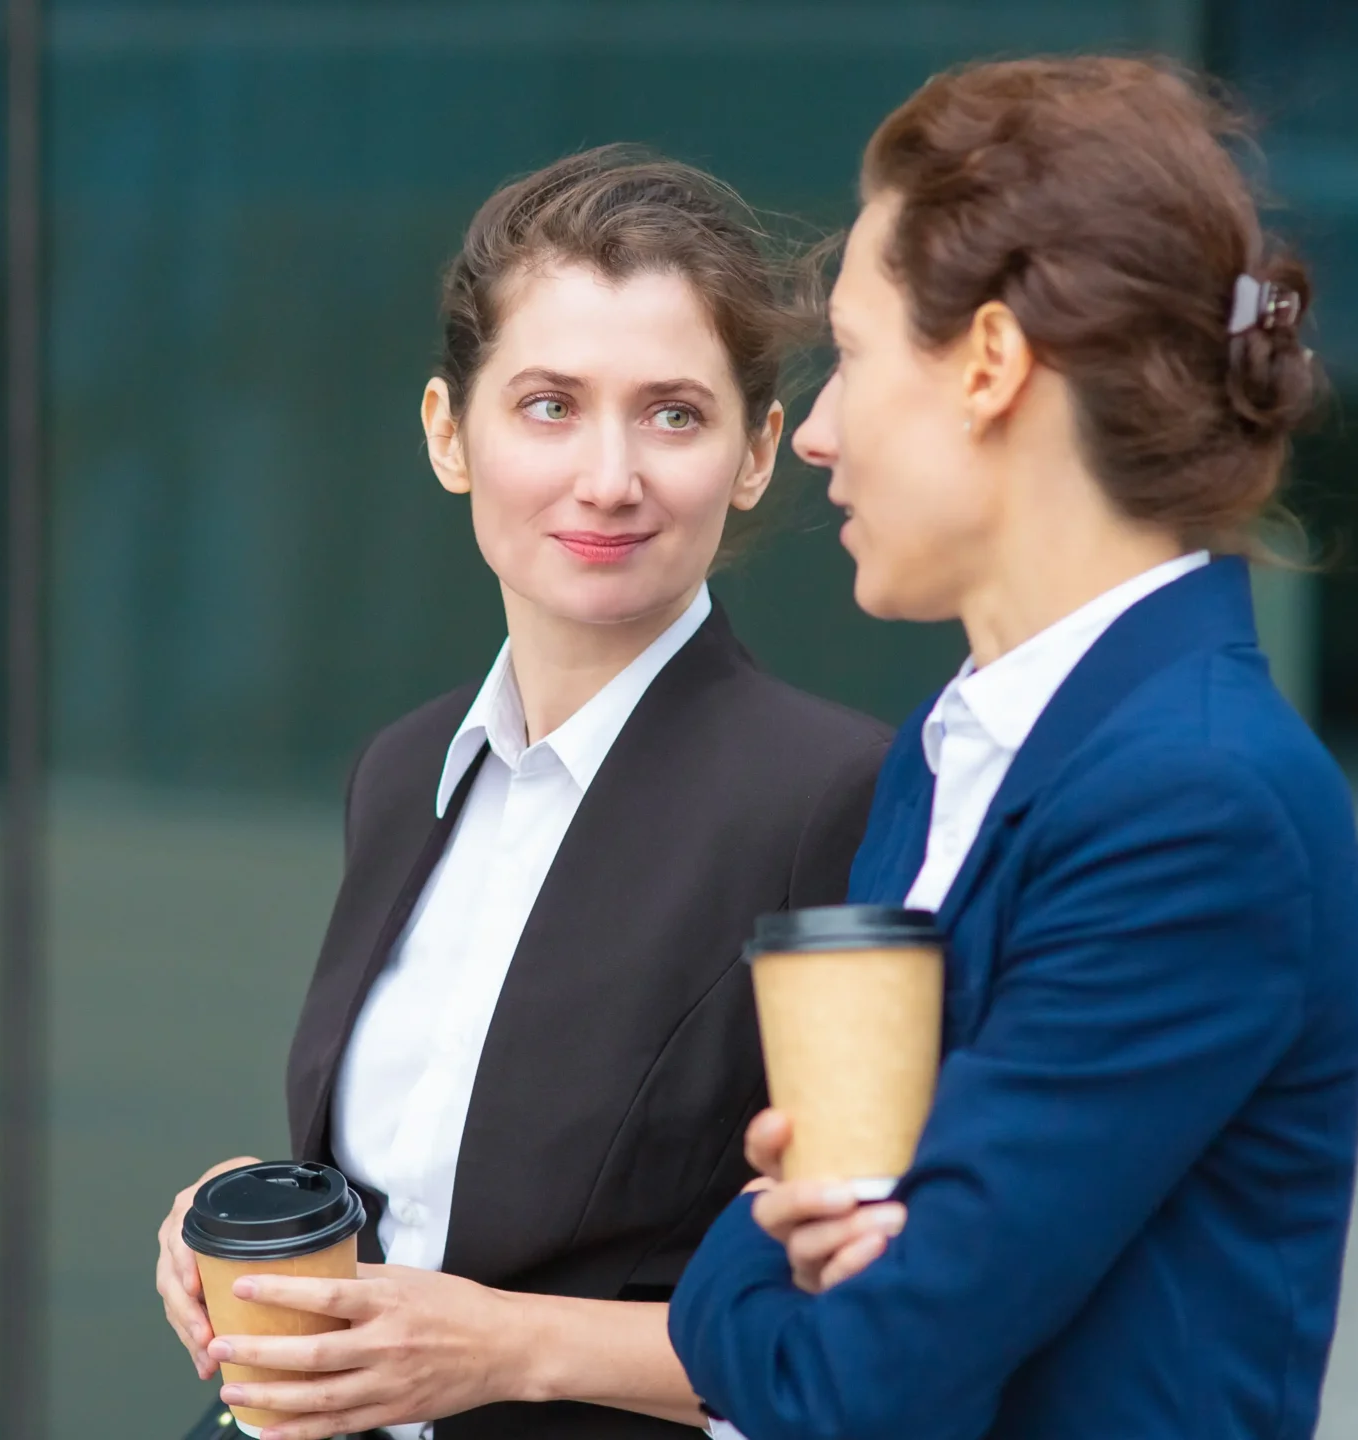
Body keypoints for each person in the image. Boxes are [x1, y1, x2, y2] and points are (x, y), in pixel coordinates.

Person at [669, 56, 1358, 1440]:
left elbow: (859, 1379)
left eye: (853, 358)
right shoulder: (961, 741)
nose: (812, 431)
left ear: (990, 363)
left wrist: (740, 1247)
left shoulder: (1199, 803)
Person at [154, 147, 891, 1440]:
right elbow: (431, 1193)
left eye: (674, 413)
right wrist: (254, 1216)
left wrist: (505, 1349)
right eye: (549, 405)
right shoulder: (404, 774)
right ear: (450, 433)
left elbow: (872, 1328)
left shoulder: (832, 800)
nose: (609, 477)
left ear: (760, 450)